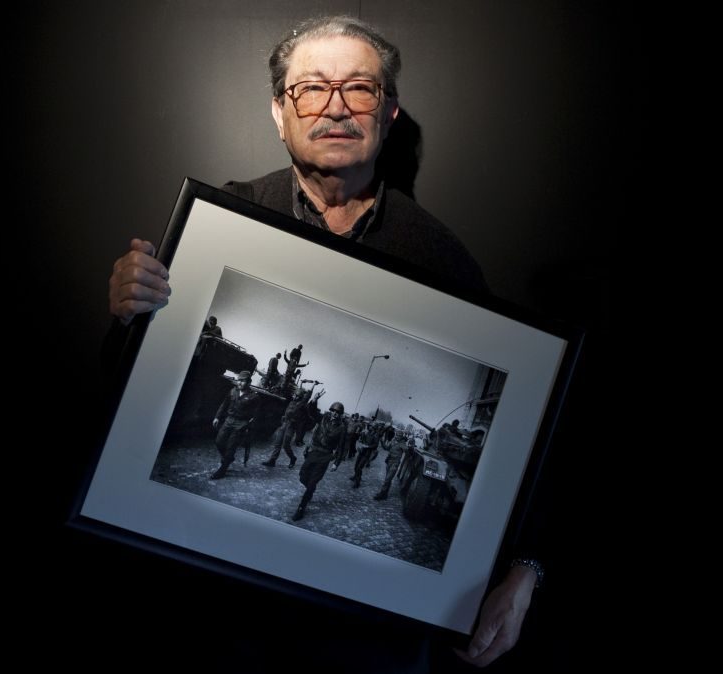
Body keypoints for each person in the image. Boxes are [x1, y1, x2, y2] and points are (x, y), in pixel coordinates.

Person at [105, 15, 544, 669]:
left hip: (359, 643)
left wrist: (526, 567)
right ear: (280, 113)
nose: (335, 107)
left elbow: (521, 440)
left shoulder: (444, 261)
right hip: (203, 616)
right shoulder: (218, 224)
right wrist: (125, 314)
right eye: (311, 87)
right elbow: (122, 400)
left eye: (358, 89)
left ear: (387, 113)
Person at [293, 400, 347, 521]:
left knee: (312, 482)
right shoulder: (323, 419)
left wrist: (336, 463)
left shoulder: (342, 428)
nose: (335, 414)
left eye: (338, 412)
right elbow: (311, 412)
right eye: (333, 411)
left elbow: (342, 447)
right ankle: (310, 490)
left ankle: (301, 508)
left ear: (341, 414)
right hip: (313, 452)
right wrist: (315, 400)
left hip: (325, 456)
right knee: (303, 476)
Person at [210, 370, 260, 479]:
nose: (240, 383)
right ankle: (228, 458)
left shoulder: (253, 397)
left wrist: (249, 426)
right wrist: (217, 417)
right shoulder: (233, 391)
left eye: (243, 381)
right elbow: (224, 404)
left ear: (248, 382)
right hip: (229, 420)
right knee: (219, 441)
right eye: (239, 380)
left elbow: (255, 415)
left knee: (231, 446)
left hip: (240, 424)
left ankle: (222, 470)